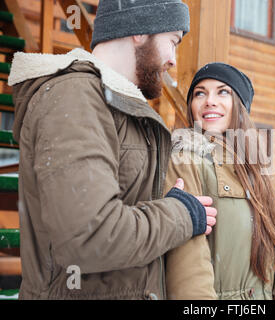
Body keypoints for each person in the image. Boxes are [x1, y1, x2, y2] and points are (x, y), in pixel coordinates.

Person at [7, 0, 216, 300]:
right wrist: (181, 214)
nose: (173, 59)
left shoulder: (117, 106)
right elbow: (90, 237)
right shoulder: (75, 97)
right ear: (140, 30)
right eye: (172, 42)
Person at [163, 63, 275, 300]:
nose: (209, 100)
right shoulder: (186, 161)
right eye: (200, 93)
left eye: (223, 91)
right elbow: (187, 265)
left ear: (240, 106)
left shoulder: (253, 172)